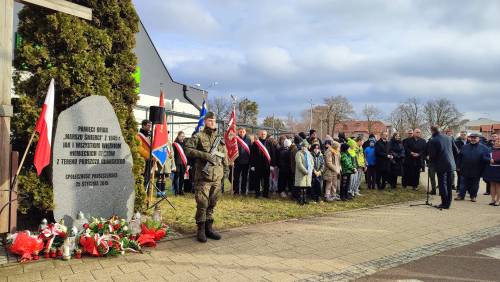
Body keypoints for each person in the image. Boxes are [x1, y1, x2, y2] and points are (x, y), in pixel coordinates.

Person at [184, 112, 229, 243]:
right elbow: (187, 149)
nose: (212, 122)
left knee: (212, 203)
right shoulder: (198, 136)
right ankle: (201, 229)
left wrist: (226, 170)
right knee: (202, 203)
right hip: (203, 177)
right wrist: (205, 155)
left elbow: (224, 155)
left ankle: (209, 228)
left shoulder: (220, 138)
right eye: (210, 120)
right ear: (205, 121)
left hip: (217, 177)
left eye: (214, 120)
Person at [427, 125, 458, 209]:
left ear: (432, 131)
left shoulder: (433, 140)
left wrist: (429, 158)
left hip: (441, 165)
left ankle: (444, 203)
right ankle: (448, 203)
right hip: (451, 164)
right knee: (448, 184)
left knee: (442, 184)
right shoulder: (449, 138)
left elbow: (432, 155)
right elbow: (456, 151)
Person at [455, 133, 491, 202]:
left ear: (478, 139)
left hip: (477, 169)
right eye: (472, 138)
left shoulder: (484, 148)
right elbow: (459, 157)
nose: (473, 139)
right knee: (463, 183)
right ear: (469, 138)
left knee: (474, 184)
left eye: (475, 138)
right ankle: (461, 195)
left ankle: (473, 196)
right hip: (464, 168)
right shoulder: (464, 147)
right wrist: (458, 166)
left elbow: (487, 159)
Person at [250, 130, 276, 198]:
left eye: (264, 134)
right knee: (257, 181)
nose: (263, 135)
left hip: (267, 165)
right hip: (257, 165)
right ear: (259, 134)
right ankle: (257, 194)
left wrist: (272, 165)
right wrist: (252, 165)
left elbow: (273, 154)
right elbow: (252, 155)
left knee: (266, 181)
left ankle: (266, 194)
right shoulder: (255, 143)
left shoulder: (270, 143)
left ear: (266, 135)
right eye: (261, 134)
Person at [294, 139, 314, 205]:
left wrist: (310, 170)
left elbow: (312, 162)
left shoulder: (309, 154)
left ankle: (305, 199)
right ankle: (300, 199)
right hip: (301, 173)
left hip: (308, 173)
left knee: (305, 187)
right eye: (302, 146)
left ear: (307, 147)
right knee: (301, 187)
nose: (304, 148)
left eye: (305, 146)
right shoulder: (298, 153)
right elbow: (299, 164)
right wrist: (305, 171)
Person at [233, 128, 251, 195]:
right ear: (238, 132)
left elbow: (250, 151)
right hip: (237, 161)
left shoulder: (248, 140)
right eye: (240, 131)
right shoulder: (235, 139)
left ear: (245, 132)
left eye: (243, 131)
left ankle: (243, 191)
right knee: (236, 177)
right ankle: (236, 191)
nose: (242, 133)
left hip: (246, 162)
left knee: (245, 177)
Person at [483, 138, 500, 205]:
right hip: (491, 169)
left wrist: (495, 161)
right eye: (495, 141)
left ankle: (498, 200)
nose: (496, 142)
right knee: (492, 184)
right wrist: (489, 159)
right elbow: (484, 156)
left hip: (498, 169)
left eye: (498, 141)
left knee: (498, 185)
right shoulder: (489, 149)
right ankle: (493, 199)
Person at [172, 131, 188, 196]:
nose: (182, 138)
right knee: (176, 177)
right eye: (181, 136)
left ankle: (181, 190)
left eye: (183, 136)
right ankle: (176, 191)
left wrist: (187, 163)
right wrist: (173, 164)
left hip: (183, 163)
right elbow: (173, 155)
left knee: (182, 177)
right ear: (178, 136)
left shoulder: (185, 144)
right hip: (177, 163)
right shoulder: (175, 144)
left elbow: (186, 154)